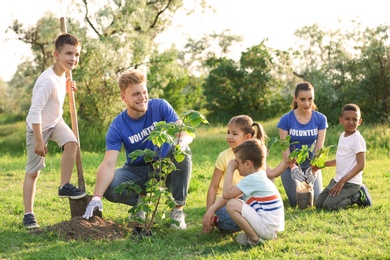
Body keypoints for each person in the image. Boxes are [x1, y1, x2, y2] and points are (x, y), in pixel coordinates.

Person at [82, 68, 193, 229]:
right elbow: (108, 164)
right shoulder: (118, 125)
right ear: (123, 97)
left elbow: (184, 133)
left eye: (144, 92)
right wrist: (96, 197)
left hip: (166, 166)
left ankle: (177, 210)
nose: (143, 98)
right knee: (111, 187)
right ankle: (141, 202)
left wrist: (182, 142)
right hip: (138, 170)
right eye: (136, 94)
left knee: (182, 149)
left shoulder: (160, 106)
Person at [23, 33, 86, 229]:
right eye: (68, 54)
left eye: (76, 55)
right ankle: (28, 214)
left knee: (72, 143)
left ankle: (63, 186)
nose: (73, 59)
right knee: (33, 173)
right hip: (38, 127)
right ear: (56, 54)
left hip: (55, 121)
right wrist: (40, 141)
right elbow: (35, 112)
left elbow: (55, 97)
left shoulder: (63, 75)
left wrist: (67, 88)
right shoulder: (47, 80)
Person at [202, 115, 291, 234]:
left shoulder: (254, 156)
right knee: (233, 220)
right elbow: (213, 187)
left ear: (247, 137)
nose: (229, 137)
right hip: (223, 201)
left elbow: (270, 174)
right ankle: (221, 221)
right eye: (228, 132)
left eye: (234, 133)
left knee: (240, 220)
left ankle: (250, 228)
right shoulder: (224, 156)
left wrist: (286, 162)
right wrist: (210, 211)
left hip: (243, 199)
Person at [224, 139, 284, 246]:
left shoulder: (252, 179)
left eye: (237, 162)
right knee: (236, 202)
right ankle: (255, 236)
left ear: (248, 164)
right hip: (271, 228)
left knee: (231, 205)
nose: (236, 166)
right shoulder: (259, 175)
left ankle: (254, 239)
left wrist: (229, 170)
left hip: (268, 228)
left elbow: (227, 194)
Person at [277, 82, 328, 207]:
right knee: (297, 203)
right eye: (302, 99)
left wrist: (314, 169)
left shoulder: (320, 119)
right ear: (295, 98)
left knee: (315, 201)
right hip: (291, 166)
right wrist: (293, 167)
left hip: (311, 165)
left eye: (310, 99)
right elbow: (285, 148)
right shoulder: (286, 119)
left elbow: (319, 147)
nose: (307, 103)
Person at [315, 104, 372, 210]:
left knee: (329, 206)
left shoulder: (357, 139)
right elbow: (340, 160)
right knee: (319, 204)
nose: (351, 122)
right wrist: (321, 165)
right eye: (347, 119)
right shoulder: (342, 136)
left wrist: (342, 182)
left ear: (359, 121)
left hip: (351, 183)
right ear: (341, 120)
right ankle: (347, 192)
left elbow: (361, 165)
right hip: (337, 180)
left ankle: (358, 195)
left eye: (355, 119)